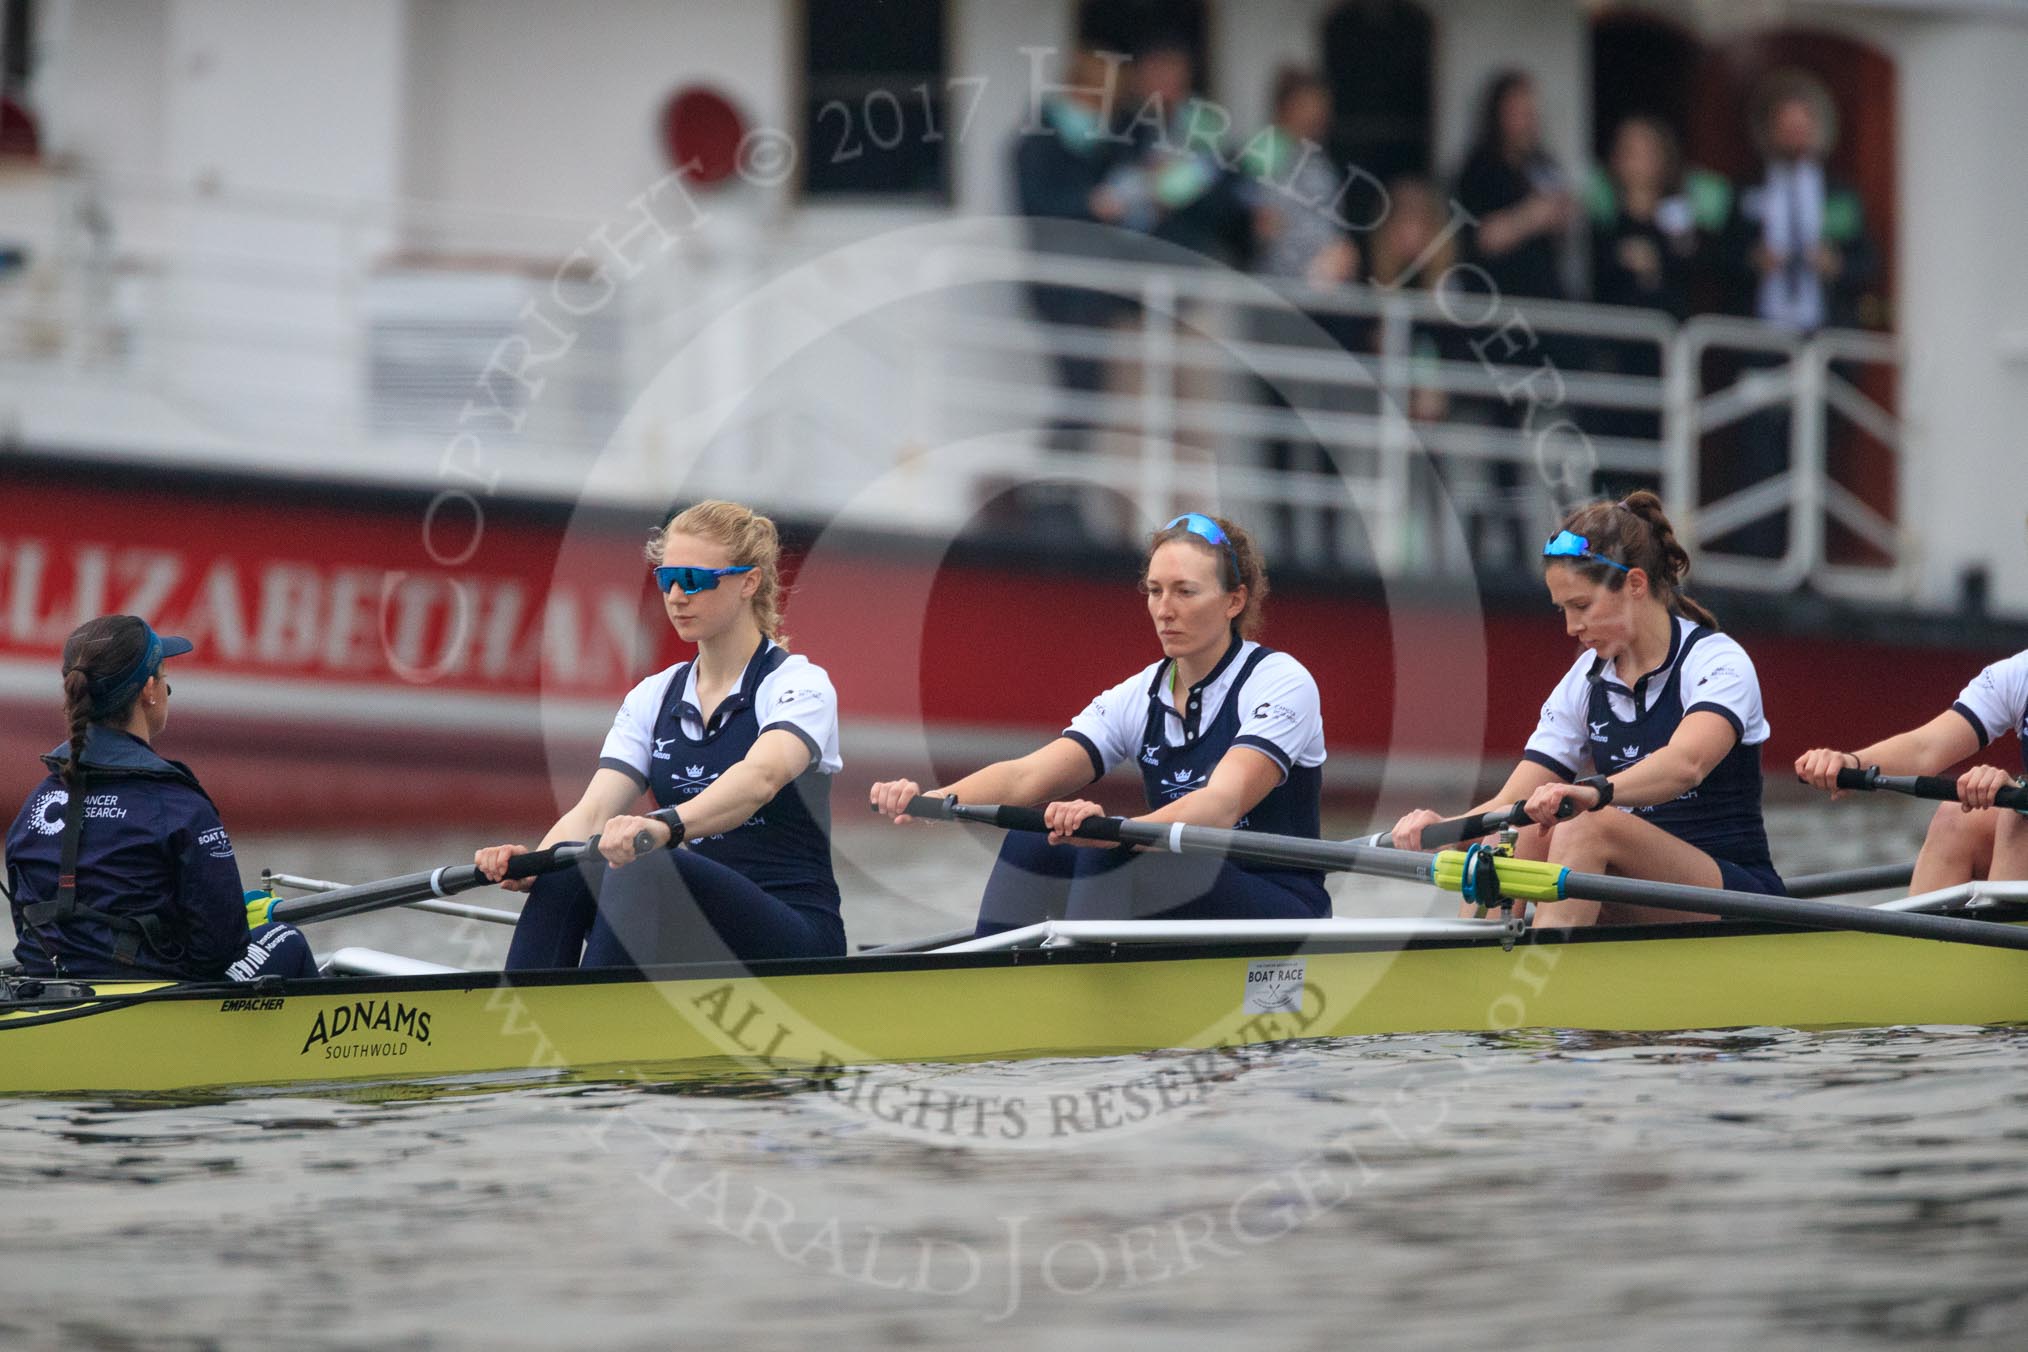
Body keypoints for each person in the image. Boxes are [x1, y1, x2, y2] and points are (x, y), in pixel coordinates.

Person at [870, 513, 1328, 935]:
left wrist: (1114, 833)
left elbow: (1222, 804)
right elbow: (1027, 776)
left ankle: (1086, 996)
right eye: (1154, 590)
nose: (1164, 609)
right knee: (1031, 844)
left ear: (1234, 600)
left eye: (1185, 591)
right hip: (1179, 890)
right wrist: (933, 800)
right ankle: (990, 987)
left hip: (1279, 905)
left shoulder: (1281, 682)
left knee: (1108, 852)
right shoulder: (1139, 694)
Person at [476, 501, 846, 969]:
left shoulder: (798, 684)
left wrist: (665, 827)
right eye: (666, 578)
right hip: (692, 923)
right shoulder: (654, 696)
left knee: (647, 863)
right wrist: (536, 863)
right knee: (572, 865)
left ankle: (597, 1025)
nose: (675, 596)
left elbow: (762, 777)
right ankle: (526, 1018)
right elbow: (592, 811)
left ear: (748, 582)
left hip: (794, 938)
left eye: (694, 580)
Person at [1389, 492, 1785, 925]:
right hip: (1638, 892)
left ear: (1635, 584)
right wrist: (1444, 830)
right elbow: (1510, 799)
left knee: (1584, 824)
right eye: (1563, 609)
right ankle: (1476, 966)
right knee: (1512, 832)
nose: (1571, 627)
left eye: (1581, 606)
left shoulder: (1717, 662)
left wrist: (1594, 792)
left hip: (1735, 899)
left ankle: (1542, 979)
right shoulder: (1586, 679)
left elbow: (1685, 765)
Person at [5, 615, 317, 981]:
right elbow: (219, 949)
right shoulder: (178, 804)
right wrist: (234, 918)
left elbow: (27, 923)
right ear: (149, 690)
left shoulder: (37, 802)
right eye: (165, 677)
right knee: (286, 939)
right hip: (154, 999)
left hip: (50, 984)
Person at [1794, 653, 2028, 893]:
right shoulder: (2019, 674)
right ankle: (1921, 930)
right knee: (1955, 817)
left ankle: (1999, 927)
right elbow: (1924, 750)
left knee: (2020, 816)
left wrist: (2018, 795)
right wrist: (1853, 762)